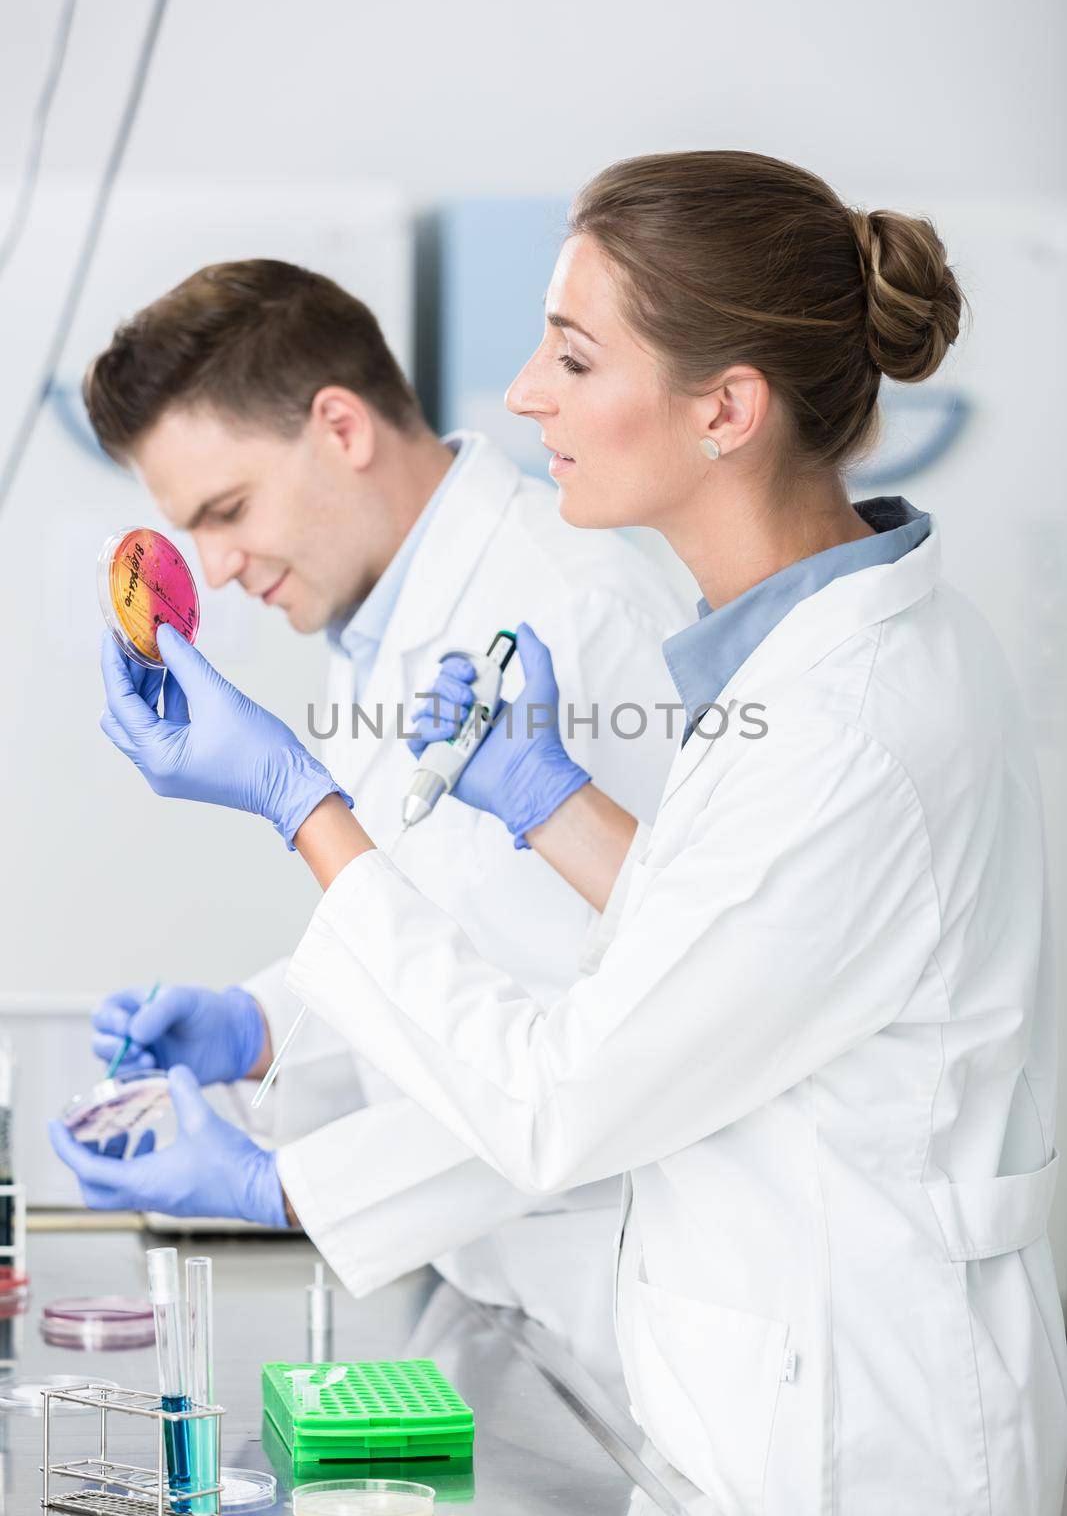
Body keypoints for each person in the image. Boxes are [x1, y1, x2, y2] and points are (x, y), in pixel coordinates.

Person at [68, 153, 1067, 1514]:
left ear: (723, 408)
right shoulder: (805, 664)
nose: (526, 392)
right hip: (730, 1371)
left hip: (830, 1419)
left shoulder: (828, 715)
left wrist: (298, 807)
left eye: (573, 357)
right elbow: (703, 943)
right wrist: (546, 812)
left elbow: (566, 1078)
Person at [56, 258, 687, 1390]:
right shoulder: (374, 633)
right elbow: (444, 945)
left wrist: (279, 1182)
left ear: (339, 425)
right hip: (502, 1303)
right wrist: (255, 1027)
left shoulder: (570, 613)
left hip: (625, 1318)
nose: (217, 569)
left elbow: (595, 1052)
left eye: (228, 511)